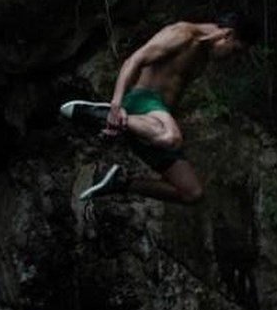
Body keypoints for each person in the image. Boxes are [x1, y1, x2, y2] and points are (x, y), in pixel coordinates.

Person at [60, 12, 255, 203]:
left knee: (192, 193)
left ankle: (121, 183)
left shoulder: (203, 53)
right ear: (228, 34)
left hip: (153, 121)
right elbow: (135, 60)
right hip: (141, 102)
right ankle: (104, 115)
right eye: (235, 50)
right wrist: (116, 105)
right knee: (172, 137)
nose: (232, 57)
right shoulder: (182, 34)